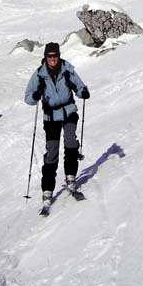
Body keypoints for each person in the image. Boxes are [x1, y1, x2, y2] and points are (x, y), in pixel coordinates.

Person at [24, 42, 90, 208]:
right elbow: (28, 99)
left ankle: (70, 176)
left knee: (70, 143)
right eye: (49, 56)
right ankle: (47, 189)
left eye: (55, 56)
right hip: (51, 117)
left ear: (59, 56)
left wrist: (83, 92)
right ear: (45, 57)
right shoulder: (39, 75)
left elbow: (80, 85)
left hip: (68, 112)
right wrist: (35, 95)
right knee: (52, 151)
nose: (52, 59)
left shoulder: (67, 70)